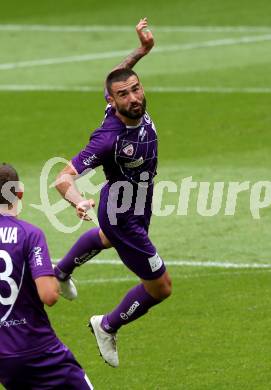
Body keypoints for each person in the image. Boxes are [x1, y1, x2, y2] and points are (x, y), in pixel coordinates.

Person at [54, 18, 172, 368]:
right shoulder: (109, 137)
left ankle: (60, 272)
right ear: (111, 101)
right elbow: (63, 178)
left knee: (105, 238)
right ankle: (106, 325)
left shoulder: (121, 97)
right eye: (124, 94)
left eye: (136, 89)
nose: (134, 97)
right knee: (160, 287)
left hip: (137, 200)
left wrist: (142, 50)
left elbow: (118, 74)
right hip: (122, 213)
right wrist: (78, 201)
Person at [0, 163, 93, 389]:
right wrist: (50, 274)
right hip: (38, 351)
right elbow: (49, 295)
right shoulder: (30, 235)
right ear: (19, 192)